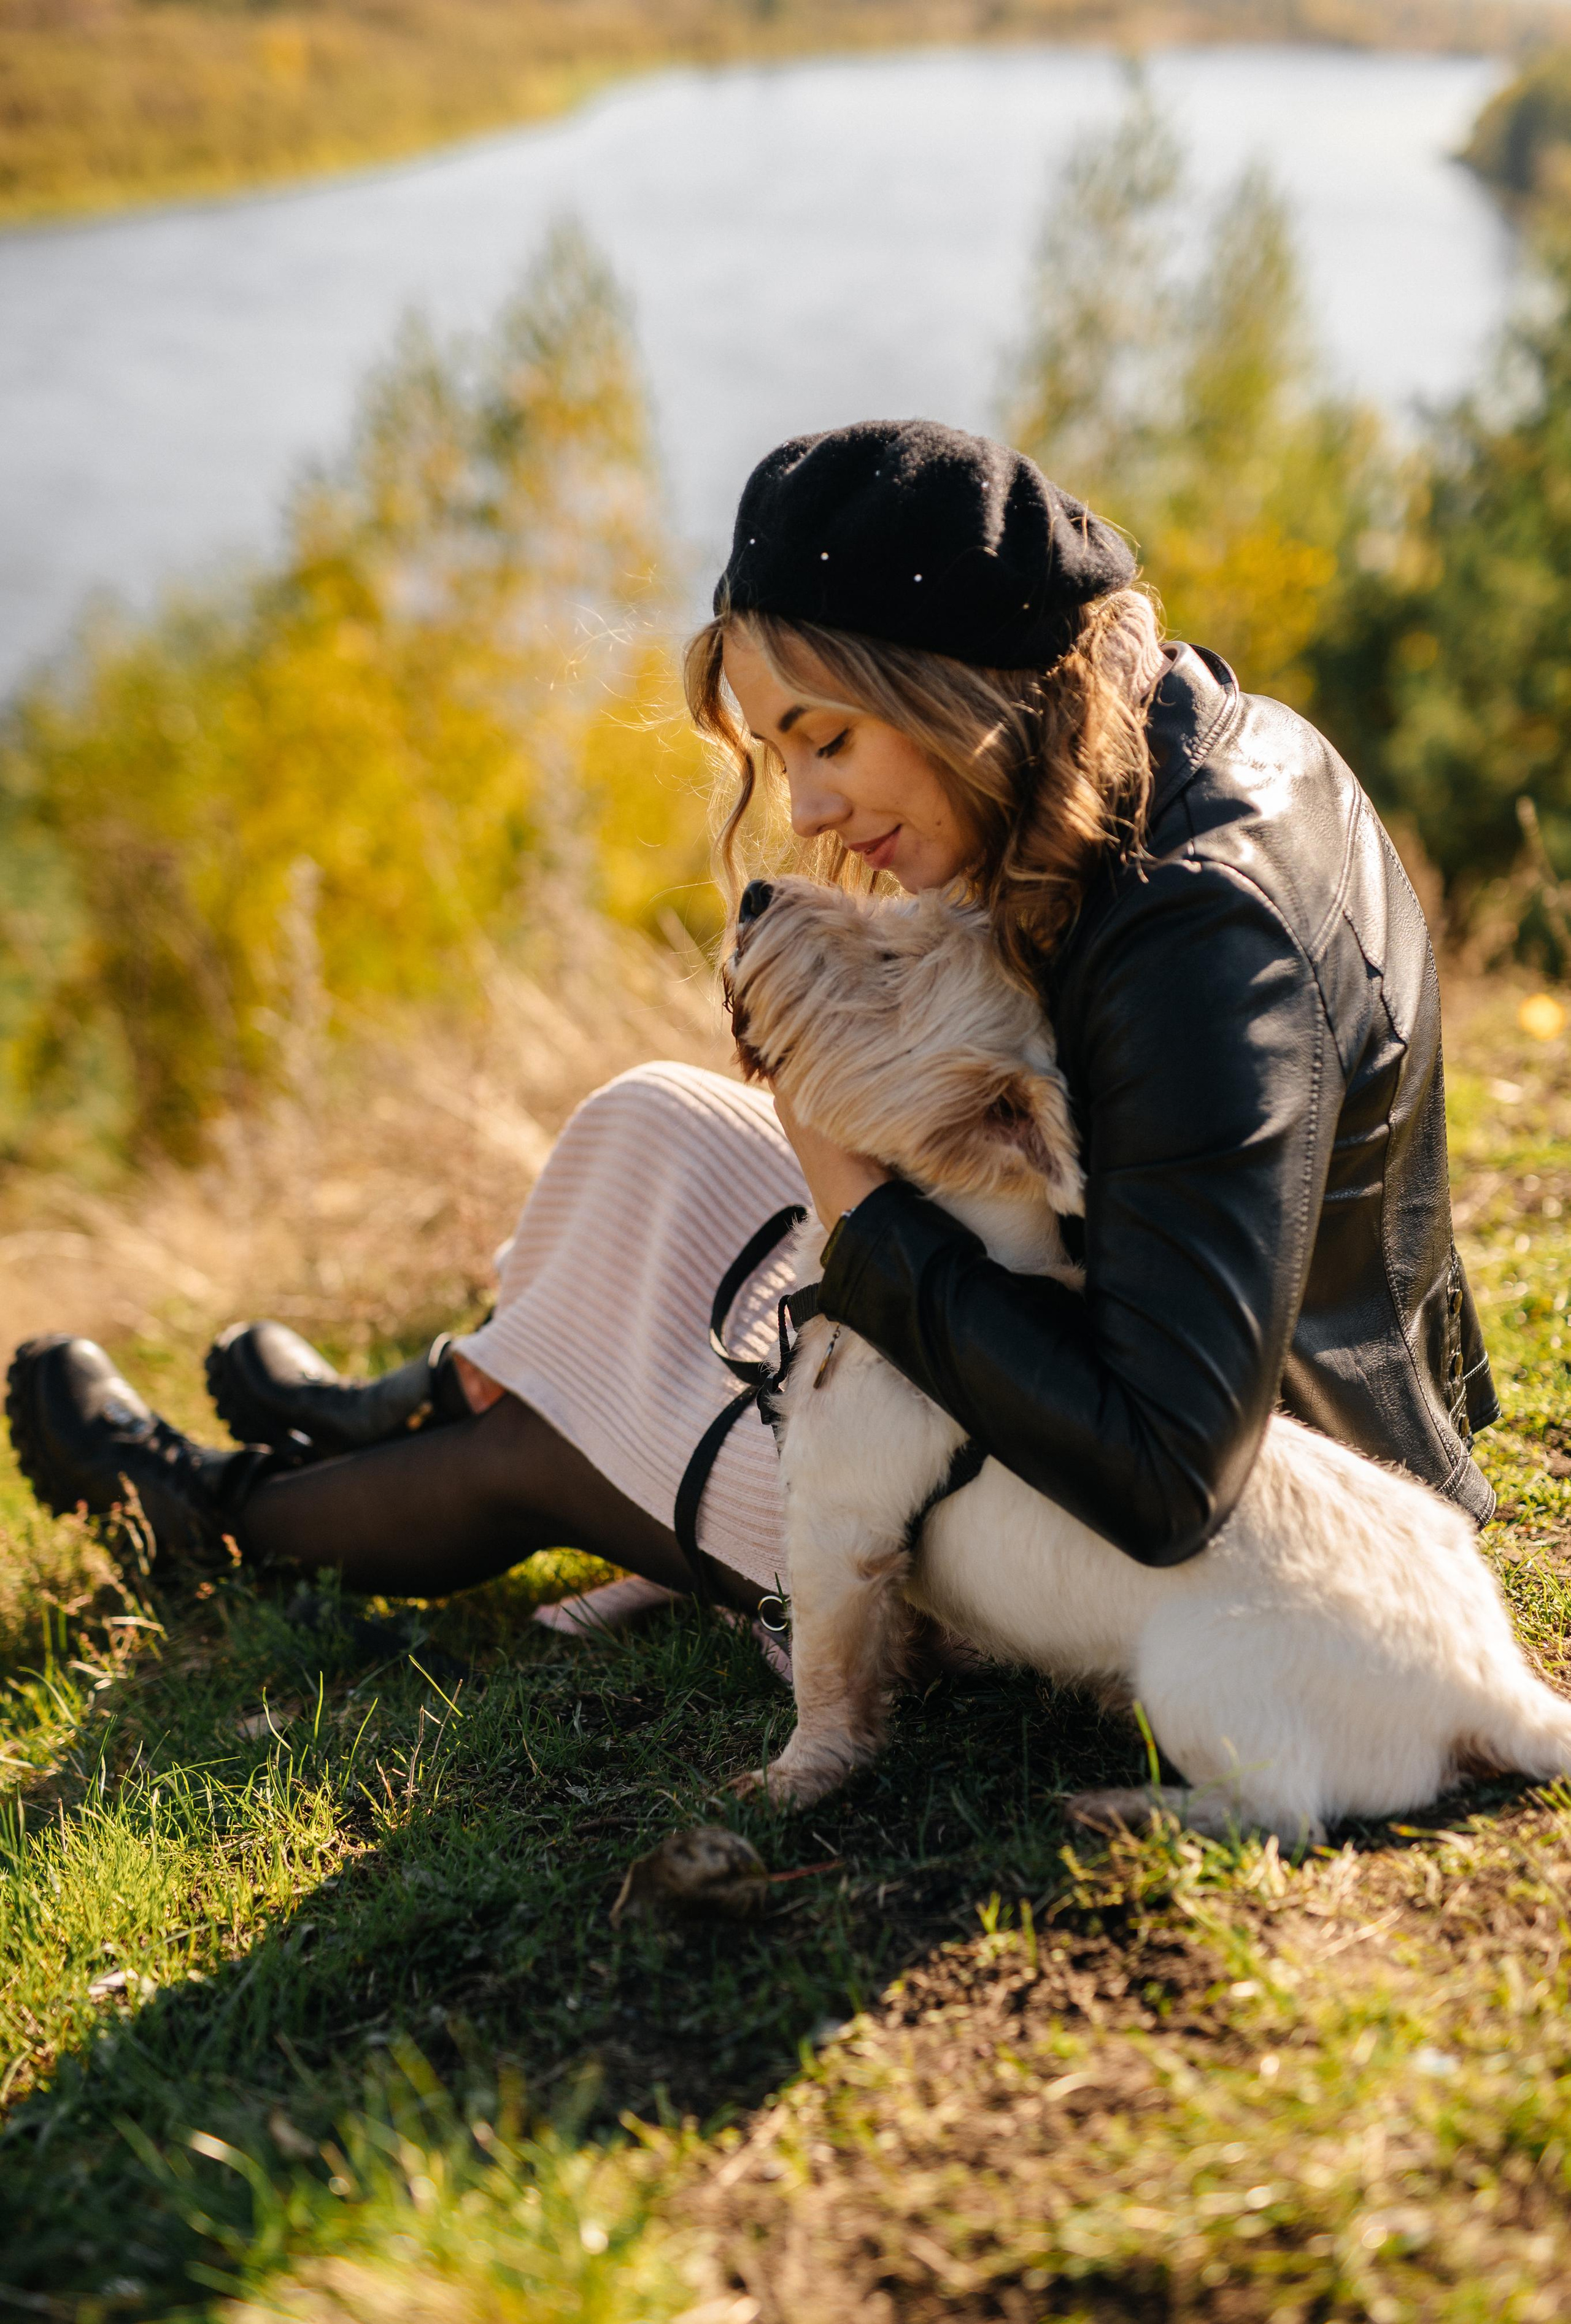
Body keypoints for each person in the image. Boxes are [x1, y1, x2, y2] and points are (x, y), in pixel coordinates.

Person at [6, 418, 1497, 1652]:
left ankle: (199, 1514)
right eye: (779, 753)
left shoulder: (1191, 931)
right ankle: (421, 1393)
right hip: (1150, 1355)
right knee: (656, 1120)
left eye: (828, 738)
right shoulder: (1157, 729)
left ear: (957, 686)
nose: (806, 812)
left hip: (1252, 1548)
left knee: (575, 1448)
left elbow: (1165, 1474)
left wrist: (850, 1205)